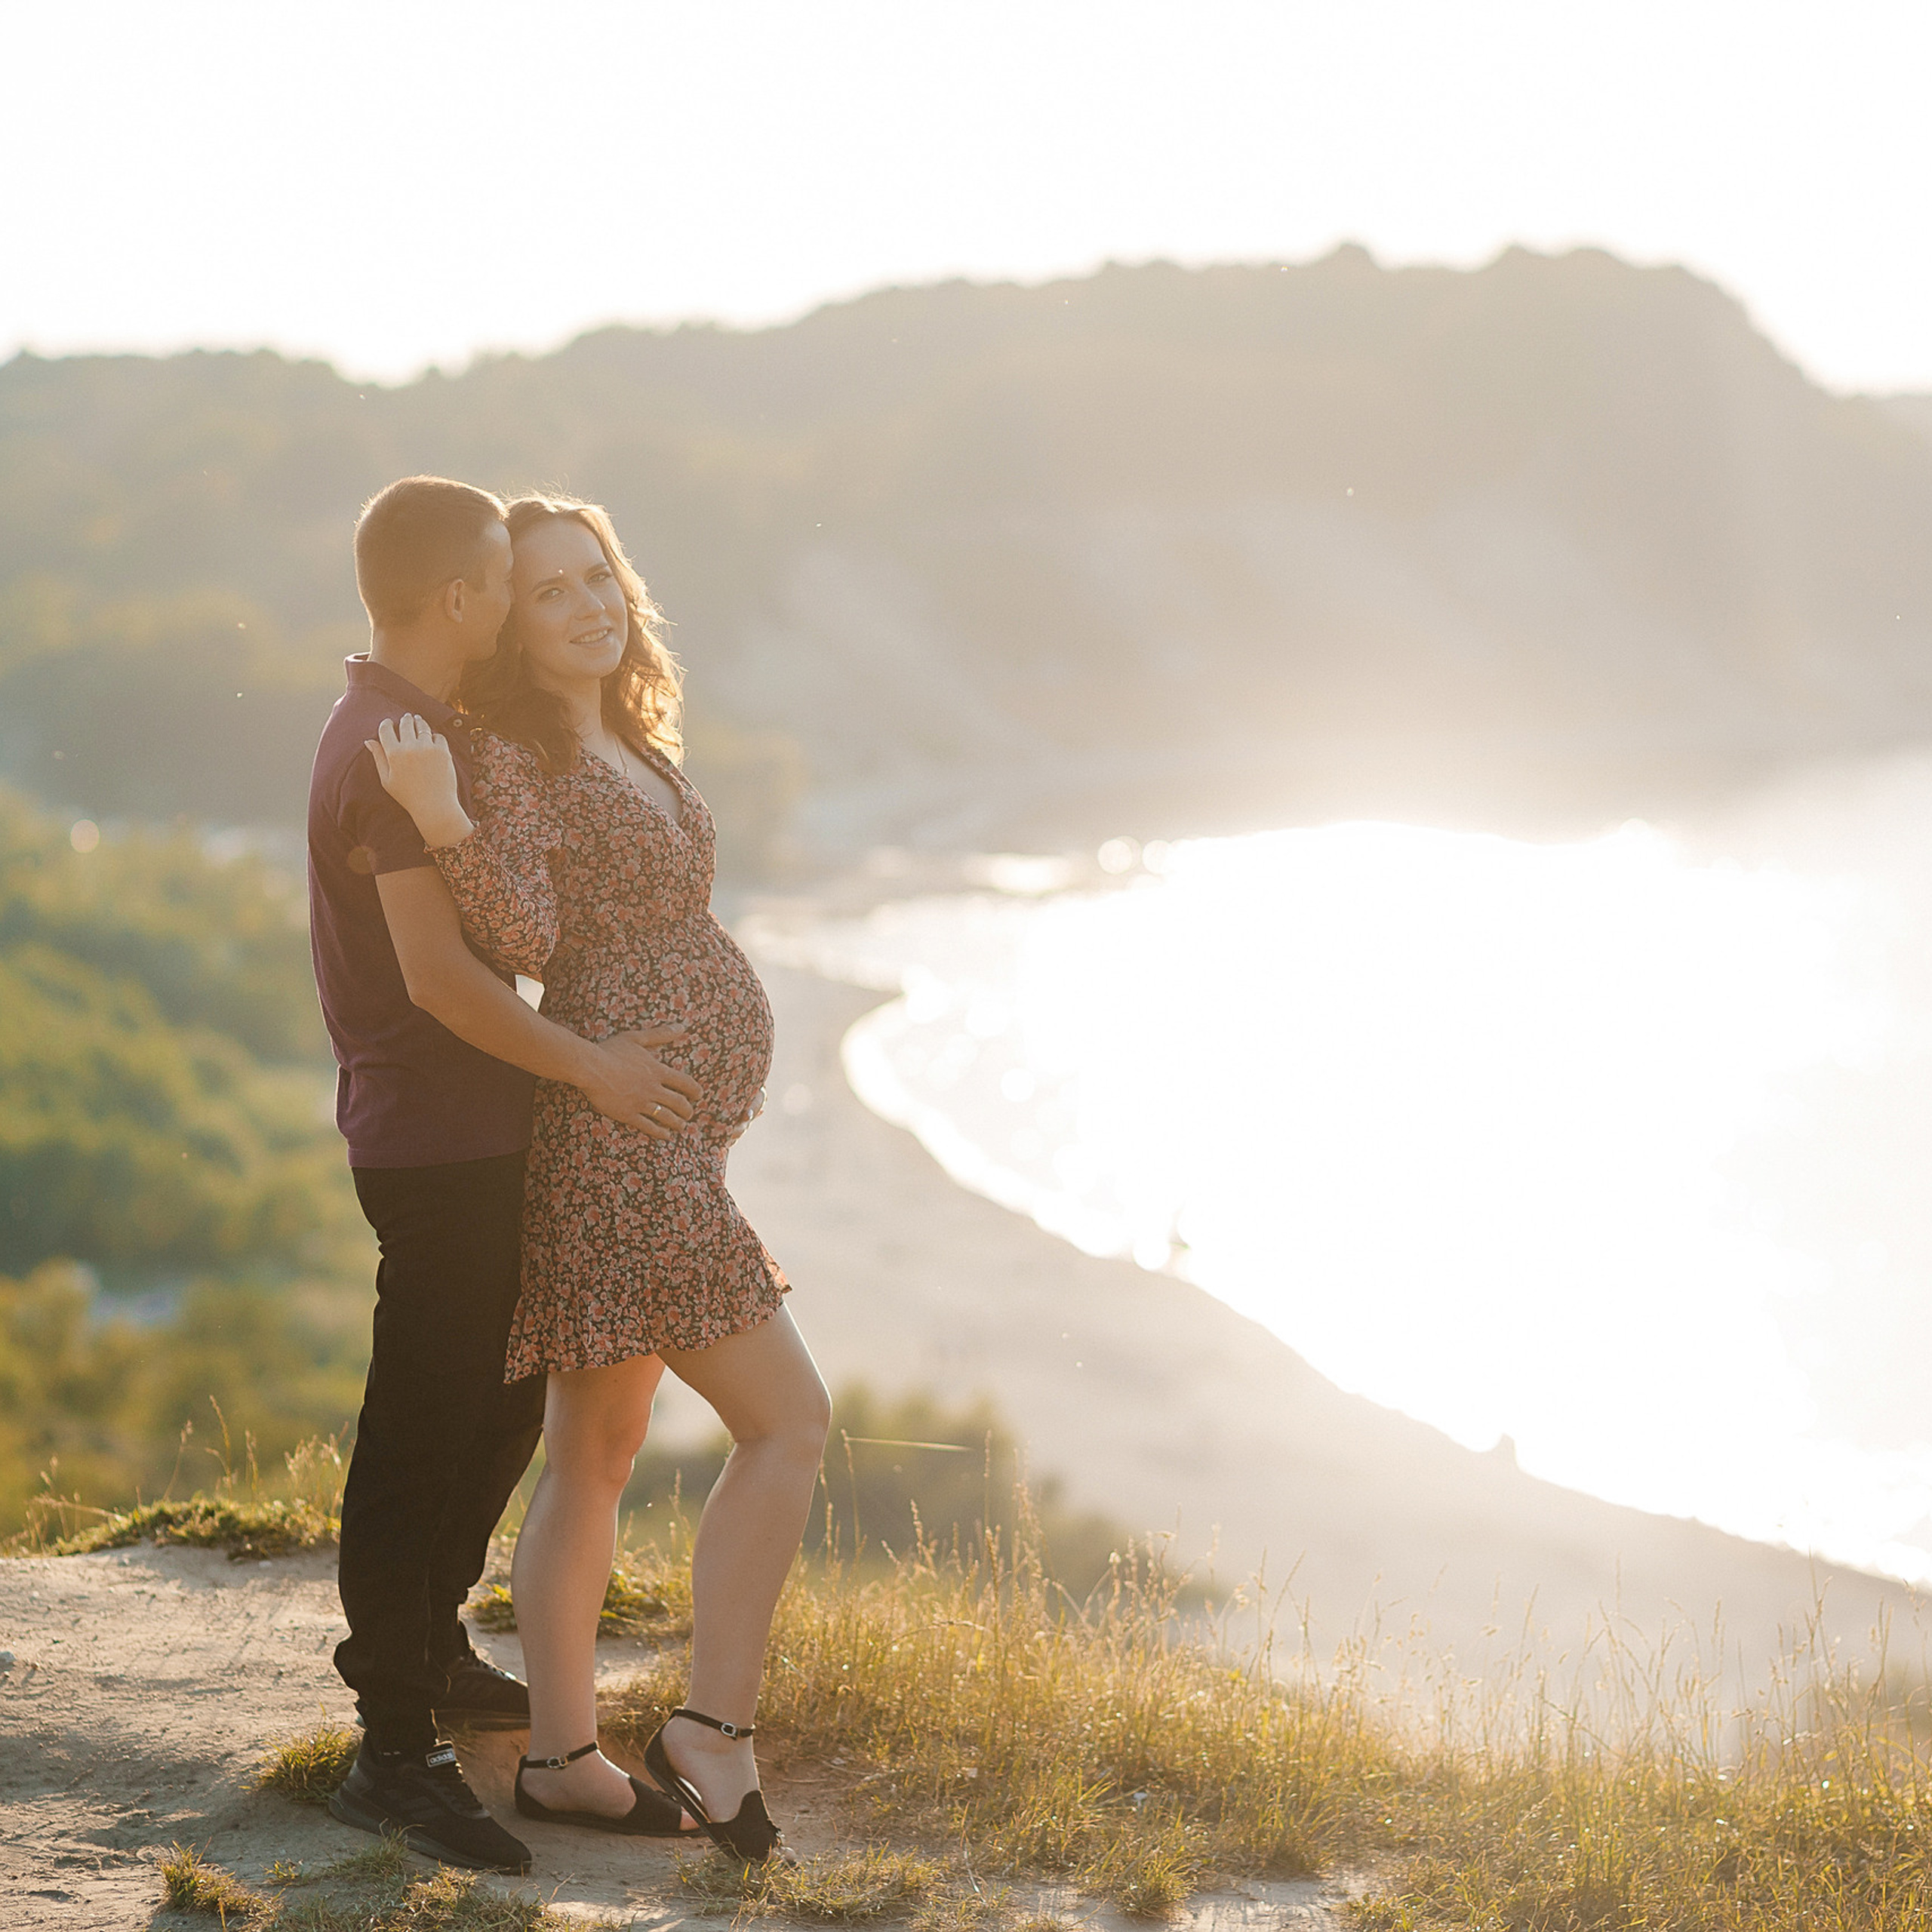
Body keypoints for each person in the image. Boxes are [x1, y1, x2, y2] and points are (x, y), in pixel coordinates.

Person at [368, 491, 830, 1865]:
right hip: (617, 1147)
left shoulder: (623, 731)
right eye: (553, 589)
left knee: (598, 1453)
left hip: (665, 1137)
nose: (586, 605)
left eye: (598, 579)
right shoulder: (507, 753)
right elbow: (519, 927)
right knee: (789, 1421)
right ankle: (712, 1735)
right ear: (510, 615)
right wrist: (446, 819)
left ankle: (565, 1757)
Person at [308, 476, 703, 1875]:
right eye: (507, 582)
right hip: (435, 1137)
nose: (522, 604)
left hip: (482, 1134)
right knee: (420, 1433)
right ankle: (389, 1751)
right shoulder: (387, 748)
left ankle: (431, 1646)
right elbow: (445, 984)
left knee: (488, 1414)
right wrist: (594, 1068)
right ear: (465, 600)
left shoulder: (423, 730)